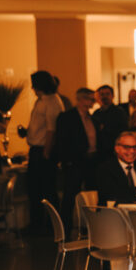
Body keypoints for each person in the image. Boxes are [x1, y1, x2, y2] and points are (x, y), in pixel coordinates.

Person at [54, 87, 99, 237]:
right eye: (89, 99)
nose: (92, 102)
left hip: (91, 162)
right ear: (80, 99)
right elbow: (61, 141)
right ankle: (64, 231)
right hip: (75, 162)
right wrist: (67, 161)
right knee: (69, 196)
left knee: (93, 195)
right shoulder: (67, 117)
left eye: (93, 99)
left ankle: (92, 228)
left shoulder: (92, 118)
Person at [26, 71, 63, 232]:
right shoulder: (41, 101)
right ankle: (37, 223)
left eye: (34, 84)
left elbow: (51, 130)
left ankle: (50, 226)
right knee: (34, 189)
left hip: (43, 150)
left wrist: (47, 152)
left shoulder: (53, 102)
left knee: (47, 189)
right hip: (36, 148)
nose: (32, 87)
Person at [93, 84, 129, 164]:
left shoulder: (119, 112)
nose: (104, 96)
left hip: (114, 152)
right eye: (102, 94)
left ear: (112, 96)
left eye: (107, 94)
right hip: (99, 154)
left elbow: (123, 132)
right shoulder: (96, 114)